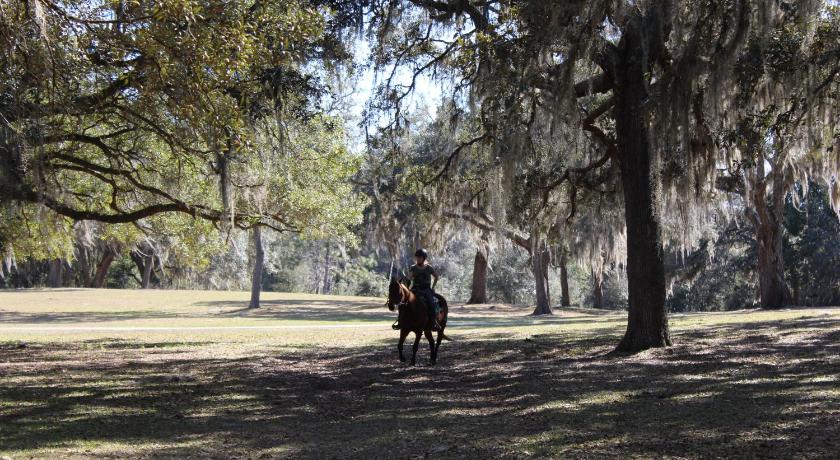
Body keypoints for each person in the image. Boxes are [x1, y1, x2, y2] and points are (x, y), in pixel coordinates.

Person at [407, 248, 442, 331]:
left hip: (426, 289)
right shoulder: (413, 268)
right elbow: (409, 277)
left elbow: (436, 277)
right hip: (415, 289)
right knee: (405, 302)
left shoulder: (429, 268)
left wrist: (433, 287)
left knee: (432, 303)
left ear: (424, 258)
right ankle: (401, 321)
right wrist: (408, 280)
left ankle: (434, 322)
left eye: (420, 257)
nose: (418, 259)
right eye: (417, 257)